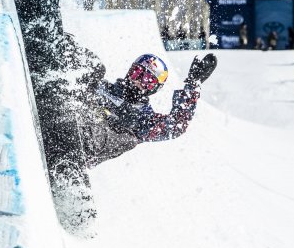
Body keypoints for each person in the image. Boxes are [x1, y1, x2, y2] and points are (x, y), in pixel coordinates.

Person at [58, 51, 217, 168]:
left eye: (147, 80)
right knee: (96, 67)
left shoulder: (144, 118)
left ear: (154, 88)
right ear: (130, 71)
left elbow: (176, 126)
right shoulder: (103, 87)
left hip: (82, 146)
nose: (139, 82)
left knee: (130, 139)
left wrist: (192, 86)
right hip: (66, 117)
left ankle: (77, 142)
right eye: (137, 73)